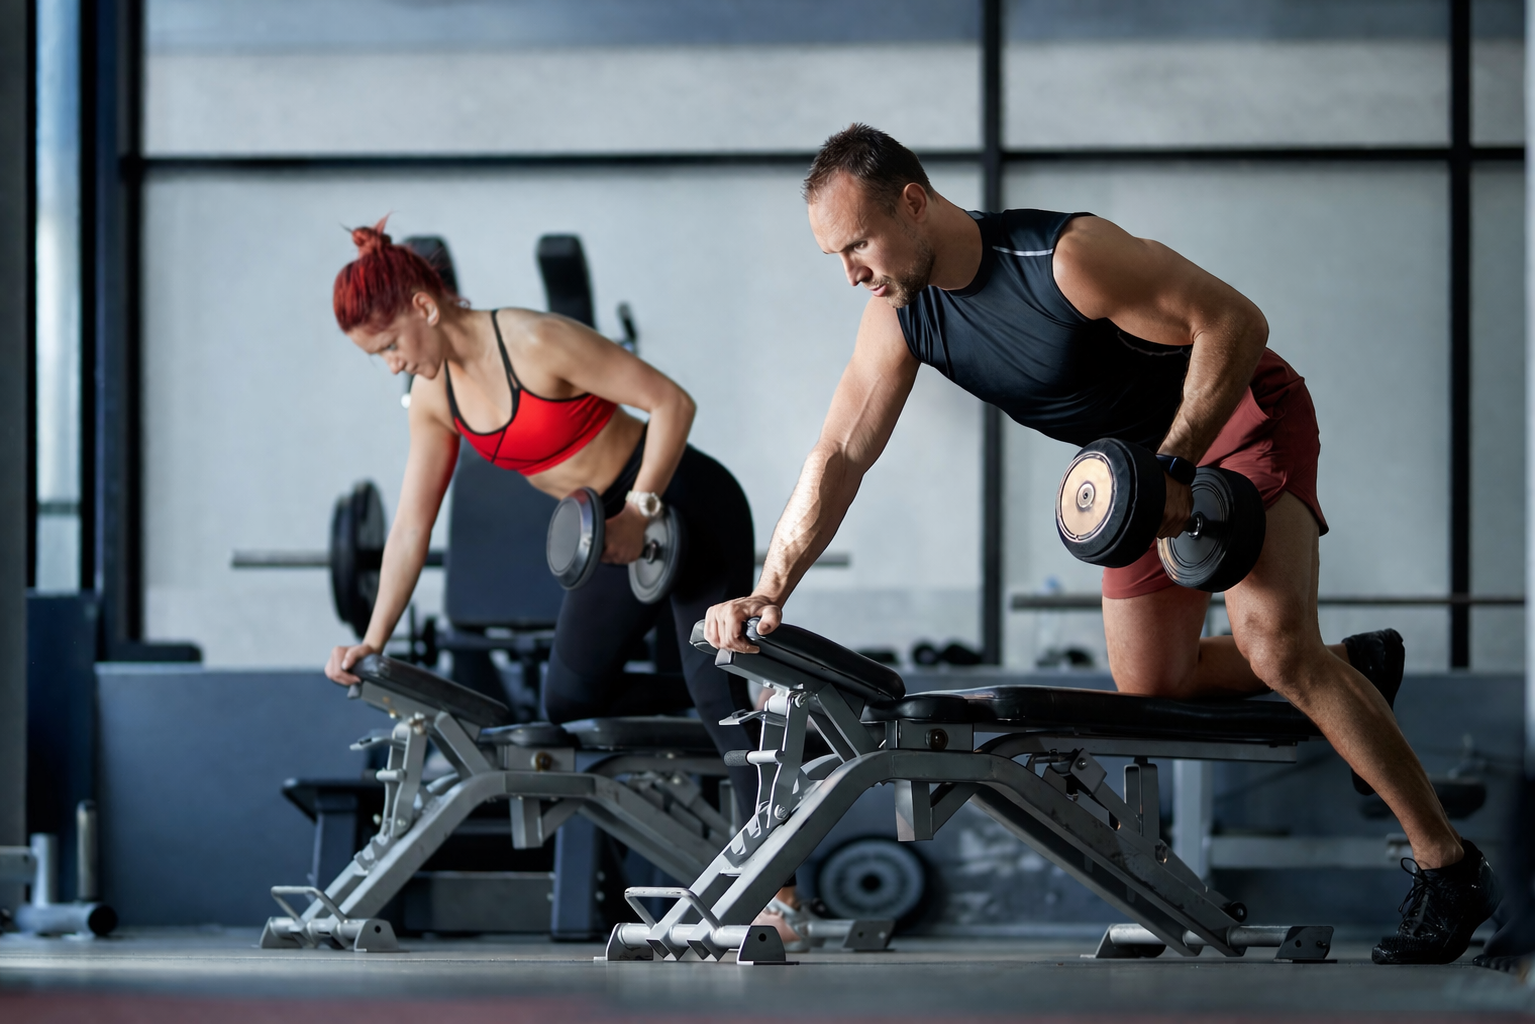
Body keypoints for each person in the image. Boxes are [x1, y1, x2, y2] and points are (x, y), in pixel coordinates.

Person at [705, 124, 1500, 965]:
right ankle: (1355, 664)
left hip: (1231, 416)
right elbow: (837, 455)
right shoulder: (899, 320)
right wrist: (772, 587)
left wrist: (1175, 465)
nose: (851, 273)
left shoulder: (1065, 257)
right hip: (1130, 474)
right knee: (1153, 681)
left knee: (1275, 646)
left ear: (913, 202)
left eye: (856, 244)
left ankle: (1447, 865)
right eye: (835, 256)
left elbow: (1233, 320)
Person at [323, 219, 759, 820]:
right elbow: (410, 528)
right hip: (610, 524)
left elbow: (671, 403)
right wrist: (373, 642)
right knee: (572, 700)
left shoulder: (534, 341)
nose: (394, 363)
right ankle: (746, 699)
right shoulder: (433, 399)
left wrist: (641, 507)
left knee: (715, 691)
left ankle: (783, 899)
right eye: (380, 358)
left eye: (390, 345)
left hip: (683, 495)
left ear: (423, 306)